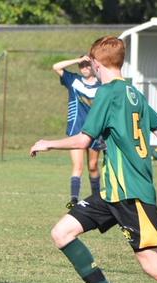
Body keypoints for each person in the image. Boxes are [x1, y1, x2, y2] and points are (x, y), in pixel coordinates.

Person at [30, 36, 157, 283]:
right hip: (110, 192)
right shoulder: (136, 95)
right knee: (62, 232)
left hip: (132, 195)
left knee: (152, 264)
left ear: (97, 64)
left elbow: (84, 140)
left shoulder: (108, 93)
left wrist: (48, 143)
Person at [52, 55, 103, 208]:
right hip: (76, 129)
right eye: (82, 65)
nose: (85, 68)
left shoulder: (102, 87)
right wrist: (77, 60)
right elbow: (56, 66)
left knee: (93, 165)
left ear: (94, 67)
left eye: (88, 65)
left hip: (95, 130)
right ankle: (74, 200)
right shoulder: (73, 80)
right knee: (78, 166)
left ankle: (96, 198)